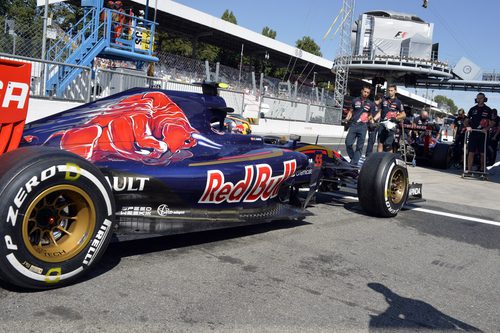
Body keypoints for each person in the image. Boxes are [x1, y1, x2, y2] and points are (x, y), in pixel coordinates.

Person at [344, 84, 376, 166]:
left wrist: (372, 122)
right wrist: (347, 120)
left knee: (359, 147)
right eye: (365, 91)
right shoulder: (355, 100)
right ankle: (353, 158)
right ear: (362, 91)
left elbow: (370, 116)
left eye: (368, 92)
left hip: (363, 126)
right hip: (354, 125)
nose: (366, 93)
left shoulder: (371, 104)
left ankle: (354, 163)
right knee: (348, 143)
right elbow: (351, 111)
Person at [465, 92, 494, 173]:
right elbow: (466, 121)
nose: (479, 99)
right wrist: (467, 126)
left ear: (484, 99)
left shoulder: (488, 110)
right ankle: (469, 169)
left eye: (481, 98)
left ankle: (482, 169)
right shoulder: (472, 109)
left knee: (482, 153)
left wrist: (487, 128)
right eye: (478, 98)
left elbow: (492, 123)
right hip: (473, 133)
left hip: (483, 134)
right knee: (471, 152)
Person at [377, 84, 406, 153]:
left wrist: (395, 117)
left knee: (388, 145)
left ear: (395, 91)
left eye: (392, 90)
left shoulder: (398, 102)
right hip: (383, 123)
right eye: (389, 90)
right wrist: (373, 120)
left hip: (391, 125)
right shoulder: (384, 100)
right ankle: (379, 159)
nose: (390, 92)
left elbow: (404, 115)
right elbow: (380, 112)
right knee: (380, 143)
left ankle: (389, 160)